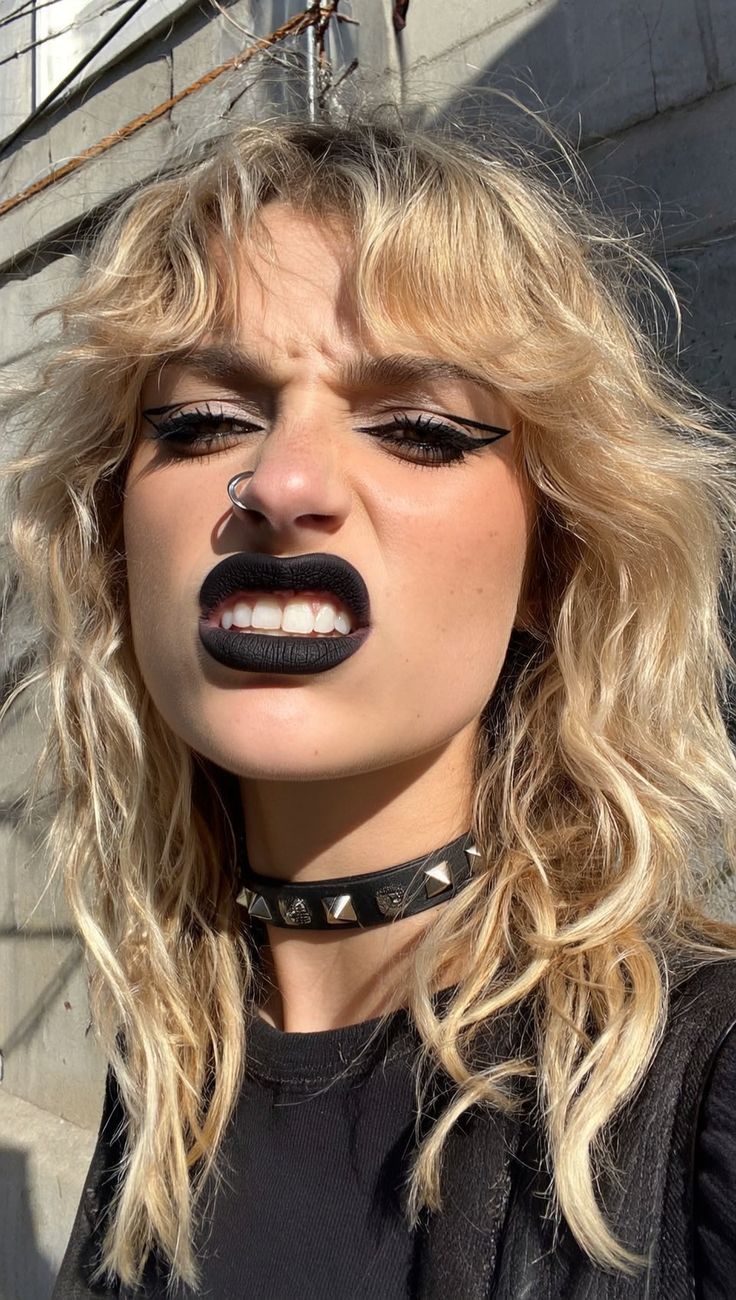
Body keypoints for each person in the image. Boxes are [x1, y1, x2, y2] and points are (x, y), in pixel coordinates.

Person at [1, 113, 735, 1300]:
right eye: (202, 421)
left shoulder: (704, 1098)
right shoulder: (171, 1057)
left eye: (417, 429)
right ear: (115, 539)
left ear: (550, 560)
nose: (281, 483)